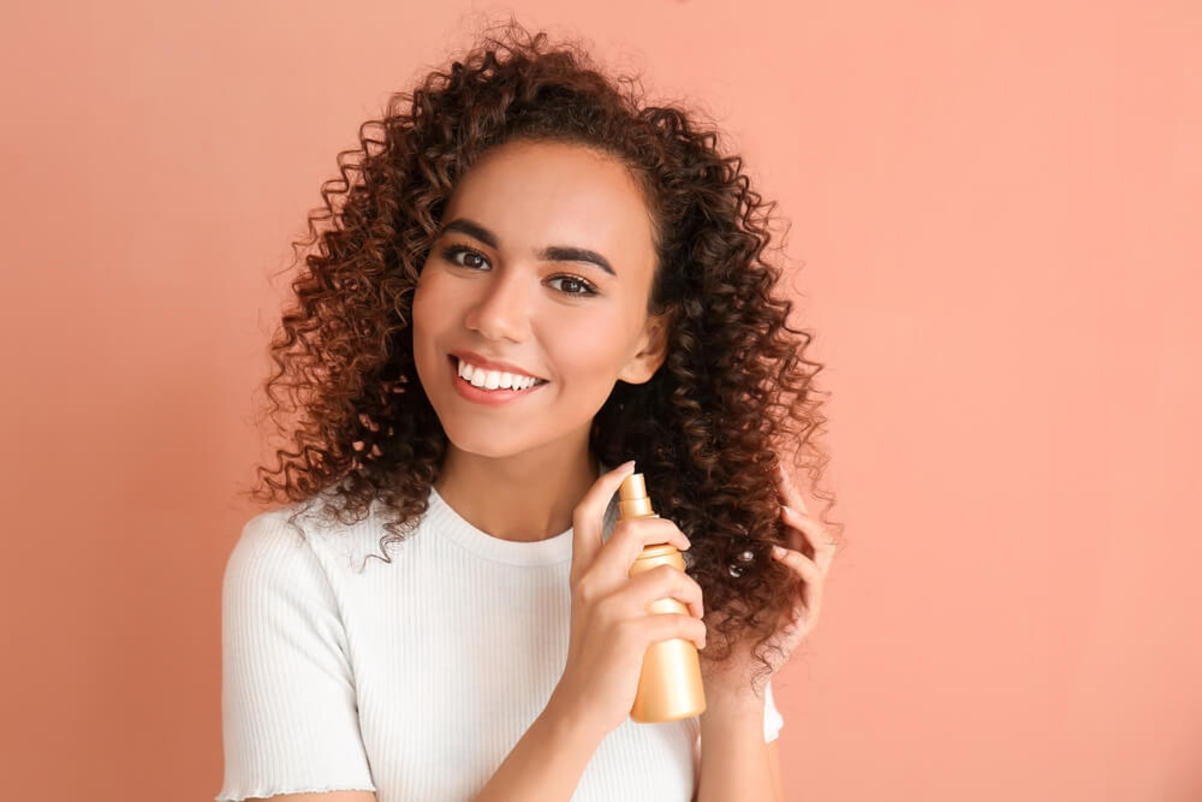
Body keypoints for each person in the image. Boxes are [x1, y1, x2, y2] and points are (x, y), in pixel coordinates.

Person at [217, 17, 840, 802]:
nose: (497, 317)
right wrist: (580, 704)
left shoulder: (682, 564)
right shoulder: (302, 568)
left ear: (647, 343)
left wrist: (739, 688)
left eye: (571, 282)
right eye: (468, 256)